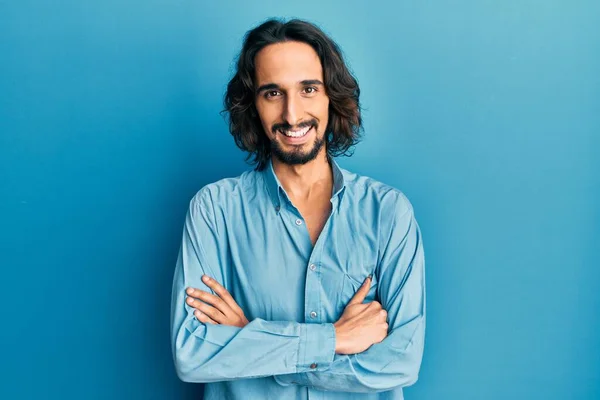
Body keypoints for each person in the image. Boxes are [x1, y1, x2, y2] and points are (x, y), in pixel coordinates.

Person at [170, 17, 426, 400]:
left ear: (330, 96)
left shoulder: (388, 212)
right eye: (273, 93)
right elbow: (192, 354)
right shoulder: (214, 211)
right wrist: (335, 339)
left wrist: (252, 341)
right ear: (253, 104)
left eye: (308, 89)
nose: (292, 115)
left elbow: (400, 363)